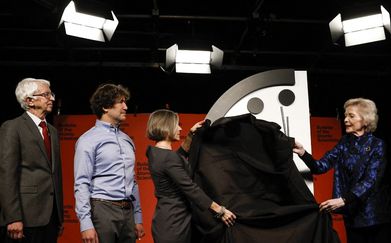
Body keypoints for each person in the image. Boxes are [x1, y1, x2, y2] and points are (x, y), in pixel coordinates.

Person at [293, 98, 391, 243]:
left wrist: (344, 200)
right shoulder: (344, 142)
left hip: (372, 216)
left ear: (365, 120)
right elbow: (320, 167)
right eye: (345, 116)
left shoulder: (378, 145)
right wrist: (303, 153)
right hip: (351, 214)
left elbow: (370, 181)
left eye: (351, 116)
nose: (345, 120)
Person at [145, 109, 236, 243]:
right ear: (166, 127)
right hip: (174, 224)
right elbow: (190, 188)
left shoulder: (156, 154)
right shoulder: (168, 158)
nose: (180, 128)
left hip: (167, 220)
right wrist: (220, 210)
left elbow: (177, 160)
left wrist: (190, 136)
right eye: (177, 125)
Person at [74, 83, 145, 243]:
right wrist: (85, 224)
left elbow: (132, 181)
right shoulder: (88, 140)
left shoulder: (127, 140)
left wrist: (137, 217)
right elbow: (81, 183)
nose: (126, 107)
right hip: (102, 210)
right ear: (106, 107)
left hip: (128, 211)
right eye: (121, 102)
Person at [0, 78, 64, 242]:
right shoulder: (13, 127)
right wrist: (13, 217)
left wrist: (59, 215)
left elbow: (54, 174)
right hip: (26, 216)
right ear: (29, 101)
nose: (52, 99)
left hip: (51, 217)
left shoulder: (52, 131)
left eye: (51, 94)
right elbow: (7, 175)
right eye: (46, 95)